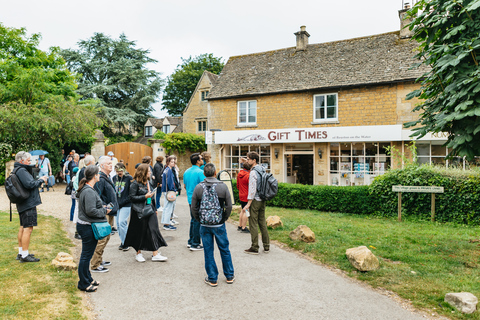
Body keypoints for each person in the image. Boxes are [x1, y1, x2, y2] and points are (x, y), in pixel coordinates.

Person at [191, 163, 234, 287]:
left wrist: (200, 219)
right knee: (224, 249)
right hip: (219, 224)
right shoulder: (223, 186)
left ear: (204, 174)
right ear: (215, 173)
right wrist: (223, 218)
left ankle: (212, 278)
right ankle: (229, 275)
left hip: (204, 224)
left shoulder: (198, 187)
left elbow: (194, 207)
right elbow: (229, 206)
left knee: (208, 251)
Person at [124, 164, 168, 262]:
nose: (150, 173)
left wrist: (155, 208)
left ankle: (155, 253)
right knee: (139, 231)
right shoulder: (135, 184)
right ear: (143, 172)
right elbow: (131, 198)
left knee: (153, 229)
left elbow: (152, 196)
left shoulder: (149, 182)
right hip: (138, 211)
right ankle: (138, 253)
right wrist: (144, 197)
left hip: (150, 209)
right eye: (148, 171)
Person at [76, 165, 110, 292]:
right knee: (85, 256)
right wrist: (104, 210)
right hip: (87, 227)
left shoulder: (87, 189)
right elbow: (91, 211)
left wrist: (102, 207)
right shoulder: (88, 191)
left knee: (87, 255)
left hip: (87, 226)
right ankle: (83, 283)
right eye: (98, 174)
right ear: (94, 176)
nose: (99, 175)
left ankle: (88, 278)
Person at [14, 151, 48, 262]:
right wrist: (41, 180)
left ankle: (21, 252)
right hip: (28, 203)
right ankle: (24, 255)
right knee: (28, 228)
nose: (30, 162)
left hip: (23, 202)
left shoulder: (17, 169)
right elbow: (30, 184)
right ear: (21, 161)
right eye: (28, 160)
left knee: (23, 227)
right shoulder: (22, 171)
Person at [91, 156, 118, 273]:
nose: (111, 165)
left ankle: (99, 260)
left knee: (106, 237)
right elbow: (97, 195)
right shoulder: (100, 178)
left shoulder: (107, 177)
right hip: (104, 213)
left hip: (110, 211)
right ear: (102, 166)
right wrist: (105, 207)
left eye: (111, 163)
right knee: (102, 238)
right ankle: (95, 265)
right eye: (108, 164)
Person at [242, 152, 270, 255]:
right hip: (263, 199)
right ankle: (266, 246)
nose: (247, 161)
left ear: (254, 160)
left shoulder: (253, 172)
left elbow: (252, 189)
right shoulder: (262, 169)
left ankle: (254, 247)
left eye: (249, 159)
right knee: (262, 222)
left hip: (255, 200)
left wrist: (249, 203)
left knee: (253, 223)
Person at [183, 153, 205, 251]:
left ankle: (191, 241)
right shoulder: (200, 172)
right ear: (197, 161)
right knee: (197, 221)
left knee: (193, 220)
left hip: (190, 198)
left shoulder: (186, 171)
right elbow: (205, 186)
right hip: (198, 199)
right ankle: (195, 243)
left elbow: (184, 185)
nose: (203, 160)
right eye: (201, 158)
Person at [112, 163, 132, 251]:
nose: (118, 173)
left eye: (120, 171)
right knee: (118, 225)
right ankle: (123, 241)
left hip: (126, 204)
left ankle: (126, 242)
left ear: (123, 169)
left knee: (122, 222)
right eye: (117, 171)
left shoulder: (129, 178)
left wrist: (122, 202)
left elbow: (130, 194)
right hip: (117, 204)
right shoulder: (114, 178)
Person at [160, 156, 177, 231]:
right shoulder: (169, 170)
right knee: (168, 208)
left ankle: (165, 222)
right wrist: (173, 190)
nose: (173, 163)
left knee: (166, 207)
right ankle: (167, 224)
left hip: (165, 190)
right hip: (168, 191)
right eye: (172, 162)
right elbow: (170, 182)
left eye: (174, 162)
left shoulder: (166, 170)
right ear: (168, 162)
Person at [236, 160, 251, 233]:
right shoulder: (248, 175)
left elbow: (237, 185)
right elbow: (251, 186)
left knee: (242, 210)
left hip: (241, 194)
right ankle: (244, 227)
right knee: (246, 210)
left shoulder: (239, 174)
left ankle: (239, 225)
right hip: (246, 195)